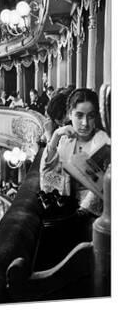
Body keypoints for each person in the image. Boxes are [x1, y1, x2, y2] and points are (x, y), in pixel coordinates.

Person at [40, 88, 111, 217]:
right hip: (69, 212)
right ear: (69, 114)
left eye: (90, 116)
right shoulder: (65, 141)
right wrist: (55, 135)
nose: (85, 123)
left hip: (97, 217)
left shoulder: (104, 141)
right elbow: (46, 178)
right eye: (79, 115)